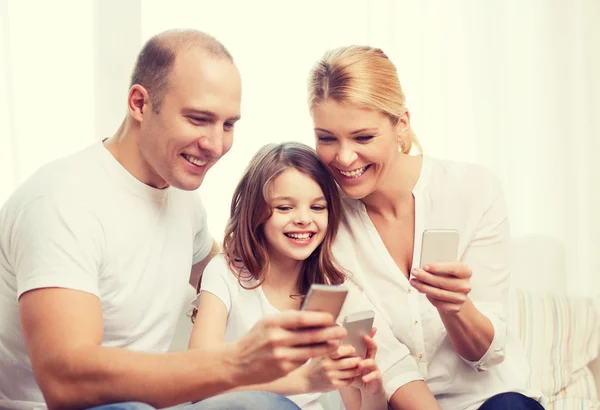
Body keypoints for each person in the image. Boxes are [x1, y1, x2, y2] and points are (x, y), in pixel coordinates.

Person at [0, 29, 347, 410]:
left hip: (150, 405)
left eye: (228, 125)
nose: (216, 145)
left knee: (269, 404)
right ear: (139, 103)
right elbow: (66, 383)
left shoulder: (183, 202)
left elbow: (233, 268)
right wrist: (237, 362)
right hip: (66, 407)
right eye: (199, 119)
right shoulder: (60, 201)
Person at [306, 45, 545, 410]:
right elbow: (384, 359)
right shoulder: (323, 223)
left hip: (489, 400)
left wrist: (454, 308)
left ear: (401, 123)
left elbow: (487, 354)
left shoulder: (473, 190)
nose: (344, 157)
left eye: (363, 137)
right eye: (326, 138)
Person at [189, 141, 444, 410]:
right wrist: (302, 381)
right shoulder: (225, 273)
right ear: (256, 213)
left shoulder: (335, 291)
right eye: (285, 208)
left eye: (317, 207)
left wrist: (372, 391)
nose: (303, 219)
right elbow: (197, 383)